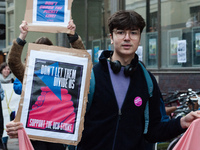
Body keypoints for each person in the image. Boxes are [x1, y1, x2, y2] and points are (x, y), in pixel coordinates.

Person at [6, 10, 200, 150]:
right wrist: (23, 128)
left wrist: (182, 122)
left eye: (133, 33)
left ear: (140, 38)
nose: (127, 38)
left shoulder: (147, 82)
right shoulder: (89, 76)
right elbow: (56, 119)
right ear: (111, 37)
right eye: (120, 32)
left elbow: (154, 131)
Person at [6, 20, 85, 150]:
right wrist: (22, 37)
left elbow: (81, 59)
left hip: (56, 128)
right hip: (35, 129)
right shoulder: (29, 72)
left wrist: (73, 36)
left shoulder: (62, 72)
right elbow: (13, 62)